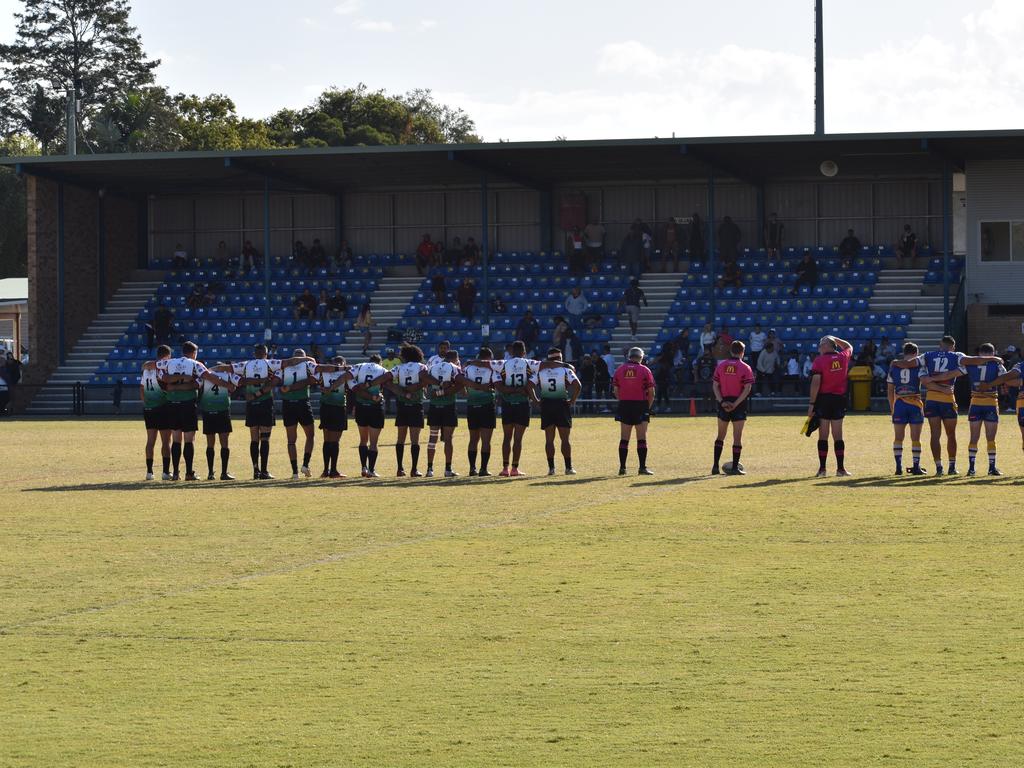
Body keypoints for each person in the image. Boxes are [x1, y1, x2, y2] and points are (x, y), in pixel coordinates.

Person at [156, 341, 208, 482]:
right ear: (193, 353)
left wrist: (173, 386)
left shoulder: (170, 363)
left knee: (176, 440)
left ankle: (176, 473)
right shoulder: (195, 365)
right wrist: (186, 383)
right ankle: (189, 473)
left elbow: (163, 378)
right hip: (188, 405)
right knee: (189, 440)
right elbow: (196, 384)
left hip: (173, 404)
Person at [234, 345, 283, 480]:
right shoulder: (271, 366)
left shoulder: (247, 365)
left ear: (254, 354)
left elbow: (234, 374)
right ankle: (264, 471)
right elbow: (271, 385)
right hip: (265, 403)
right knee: (265, 438)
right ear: (266, 354)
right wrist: (258, 394)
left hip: (252, 406)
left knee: (254, 438)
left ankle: (255, 470)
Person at [807, 335, 854, 477]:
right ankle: (841, 469)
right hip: (839, 399)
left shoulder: (819, 361)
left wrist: (811, 404)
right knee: (838, 435)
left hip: (824, 400)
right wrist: (835, 338)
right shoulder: (843, 357)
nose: (819, 347)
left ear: (827, 346)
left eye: (821, 344)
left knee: (823, 435)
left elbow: (816, 383)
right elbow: (848, 346)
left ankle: (822, 469)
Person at [529, 348, 581, 476]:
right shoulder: (565, 370)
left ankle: (551, 469)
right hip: (561, 404)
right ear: (560, 358)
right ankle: (568, 467)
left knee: (549, 439)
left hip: (546, 405)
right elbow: (577, 385)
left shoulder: (541, 371)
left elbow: (529, 385)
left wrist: (536, 400)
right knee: (565, 439)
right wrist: (572, 400)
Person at [712, 340, 755, 475]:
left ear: (730, 351)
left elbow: (715, 385)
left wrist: (722, 402)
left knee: (720, 436)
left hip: (723, 403)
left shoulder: (721, 366)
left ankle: (715, 467)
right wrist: (735, 404)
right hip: (738, 404)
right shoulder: (745, 367)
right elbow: (747, 388)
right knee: (737, 437)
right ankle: (735, 468)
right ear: (742, 352)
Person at [495, 340, 537, 477]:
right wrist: (524, 392)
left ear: (512, 351)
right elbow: (530, 384)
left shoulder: (505, 364)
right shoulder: (527, 364)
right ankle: (514, 468)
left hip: (508, 404)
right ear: (524, 352)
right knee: (518, 439)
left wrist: (510, 391)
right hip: (522, 404)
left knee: (507, 437)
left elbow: (500, 385)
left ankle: (505, 468)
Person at [389, 344, 431, 477]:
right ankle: (414, 469)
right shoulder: (421, 367)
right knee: (415, 440)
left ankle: (400, 468)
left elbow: (387, 382)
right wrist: (415, 388)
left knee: (400, 438)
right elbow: (427, 381)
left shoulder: (398, 367)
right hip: (416, 406)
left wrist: (403, 392)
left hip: (402, 406)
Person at [963, 344, 1005, 476]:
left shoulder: (971, 364)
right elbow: (1005, 377)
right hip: (991, 403)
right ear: (993, 353)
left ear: (979, 352)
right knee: (991, 439)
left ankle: (971, 469)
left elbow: (958, 370)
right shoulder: (997, 364)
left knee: (973, 438)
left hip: (975, 403)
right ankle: (991, 468)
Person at [887, 343, 928, 475]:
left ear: (904, 353)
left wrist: (892, 408)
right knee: (916, 438)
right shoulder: (919, 365)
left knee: (898, 437)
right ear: (916, 353)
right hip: (915, 403)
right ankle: (916, 466)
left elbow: (890, 390)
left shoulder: (894, 367)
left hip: (899, 404)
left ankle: (898, 467)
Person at [613, 346, 655, 475]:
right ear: (641, 357)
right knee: (641, 438)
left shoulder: (619, 369)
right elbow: (652, 392)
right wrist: (647, 407)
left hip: (624, 405)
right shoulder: (645, 370)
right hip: (640, 405)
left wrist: (624, 400)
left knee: (624, 438)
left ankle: (622, 468)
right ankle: (642, 467)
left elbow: (615, 391)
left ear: (629, 356)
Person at [347, 354, 389, 478]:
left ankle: (363, 468)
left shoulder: (361, 369)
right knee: (374, 443)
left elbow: (354, 387)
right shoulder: (381, 371)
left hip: (361, 406)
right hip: (375, 407)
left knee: (363, 440)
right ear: (379, 363)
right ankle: (371, 470)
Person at [460, 347, 501, 476]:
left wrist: (469, 390)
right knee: (486, 440)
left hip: (472, 406)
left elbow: (460, 381)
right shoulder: (492, 368)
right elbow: (497, 384)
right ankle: (483, 469)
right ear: (489, 358)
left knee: (473, 439)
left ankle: (472, 468)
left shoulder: (468, 368)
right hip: (487, 406)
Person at [279, 350, 318, 479]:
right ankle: (305, 465)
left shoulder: (285, 366)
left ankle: (295, 472)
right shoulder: (307, 364)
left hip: (288, 404)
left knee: (291, 441)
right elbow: (313, 376)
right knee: (310, 436)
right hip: (302, 403)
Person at [198, 362, 240, 480]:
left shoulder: (205, 375)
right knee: (224, 443)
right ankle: (224, 472)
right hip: (222, 410)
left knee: (210, 443)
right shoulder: (228, 374)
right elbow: (235, 387)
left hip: (208, 410)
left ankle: (210, 473)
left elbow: (198, 385)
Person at [426, 349, 462, 478]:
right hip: (448, 406)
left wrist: (438, 390)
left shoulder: (432, 367)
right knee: (448, 439)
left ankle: (429, 469)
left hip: (434, 406)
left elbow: (427, 388)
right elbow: (460, 385)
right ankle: (448, 469)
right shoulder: (454, 368)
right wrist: (445, 390)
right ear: (455, 358)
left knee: (432, 438)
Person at [315, 356, 352, 478]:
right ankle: (333, 470)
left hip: (325, 408)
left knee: (327, 440)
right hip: (338, 408)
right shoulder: (346, 374)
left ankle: (326, 470)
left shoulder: (323, 374)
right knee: (334, 441)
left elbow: (314, 381)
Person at [140, 345, 173, 480]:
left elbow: (141, 388)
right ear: (167, 356)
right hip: (163, 407)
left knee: (150, 441)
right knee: (166, 441)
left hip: (149, 409)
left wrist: (146, 402)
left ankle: (149, 472)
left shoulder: (147, 370)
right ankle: (165, 472)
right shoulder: (163, 369)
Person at [652, 344, 674, 413]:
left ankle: (664, 406)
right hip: (661, 376)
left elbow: (670, 365)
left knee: (662, 392)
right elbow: (655, 361)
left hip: (665, 376)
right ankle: (665, 406)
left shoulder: (669, 356)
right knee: (661, 392)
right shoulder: (661, 355)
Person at [380, 347, 402, 415]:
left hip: (396, 383)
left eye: (392, 354)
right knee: (387, 398)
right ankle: (387, 410)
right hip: (387, 384)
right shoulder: (384, 362)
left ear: (394, 354)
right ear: (387, 354)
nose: (390, 355)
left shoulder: (398, 361)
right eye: (389, 354)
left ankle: (399, 410)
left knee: (398, 398)